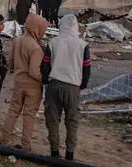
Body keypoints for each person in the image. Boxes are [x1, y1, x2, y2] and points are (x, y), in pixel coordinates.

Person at [41, 14, 92, 161]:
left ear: (61, 26)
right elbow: (86, 69)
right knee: (72, 122)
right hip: (73, 87)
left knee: (52, 120)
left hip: (54, 85)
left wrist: (46, 81)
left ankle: (54, 152)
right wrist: (81, 85)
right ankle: (70, 154)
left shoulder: (53, 42)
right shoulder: (83, 45)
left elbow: (45, 65)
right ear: (76, 27)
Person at [1, 14, 49, 151]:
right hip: (33, 87)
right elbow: (34, 72)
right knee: (29, 115)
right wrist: (44, 79)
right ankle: (26, 145)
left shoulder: (17, 41)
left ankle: (4, 140)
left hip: (18, 83)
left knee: (12, 112)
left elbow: (10, 64)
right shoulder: (35, 48)